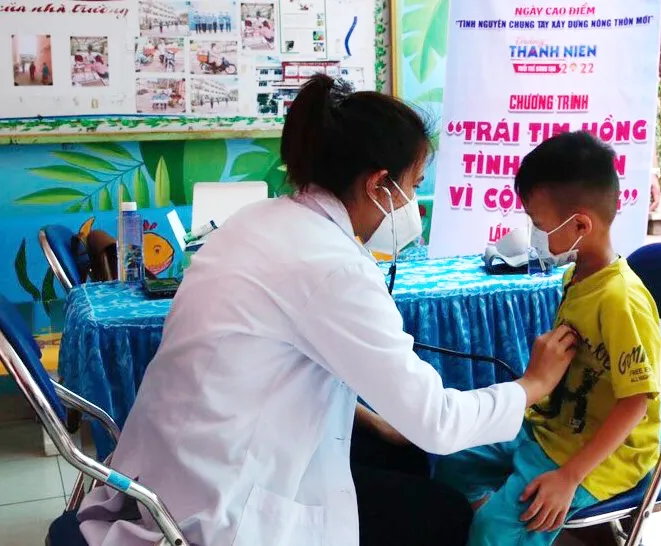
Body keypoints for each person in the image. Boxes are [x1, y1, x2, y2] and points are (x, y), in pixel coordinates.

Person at [75, 74, 579, 546]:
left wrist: (376, 420)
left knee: (396, 451)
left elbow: (271, 363)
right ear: (378, 185)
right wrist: (532, 385)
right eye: (413, 185)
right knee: (444, 512)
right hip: (221, 505)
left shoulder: (256, 221)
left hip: (176, 466)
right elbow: (438, 423)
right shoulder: (334, 268)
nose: (413, 204)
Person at [435, 131, 661, 546]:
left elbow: (636, 403)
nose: (534, 234)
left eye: (538, 226)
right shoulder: (576, 275)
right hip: (551, 429)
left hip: (603, 455)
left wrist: (570, 477)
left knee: (492, 530)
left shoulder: (621, 300)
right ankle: (515, 525)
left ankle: (508, 528)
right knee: (450, 458)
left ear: (580, 225)